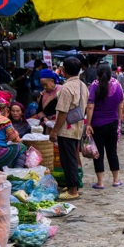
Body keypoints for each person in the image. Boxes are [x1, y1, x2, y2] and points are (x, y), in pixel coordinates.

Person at [49, 57, 89, 200]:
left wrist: (54, 131)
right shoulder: (82, 85)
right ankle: (73, 184)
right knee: (72, 157)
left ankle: (73, 190)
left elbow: (63, 112)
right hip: (78, 126)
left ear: (63, 70)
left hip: (67, 128)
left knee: (68, 159)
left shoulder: (66, 88)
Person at [85, 63, 124, 189]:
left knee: (98, 153)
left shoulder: (94, 86)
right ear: (110, 74)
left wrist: (88, 124)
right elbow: (120, 104)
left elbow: (90, 106)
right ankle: (116, 180)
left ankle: (100, 182)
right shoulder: (117, 85)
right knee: (112, 152)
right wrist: (119, 120)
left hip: (97, 125)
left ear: (97, 74)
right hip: (113, 123)